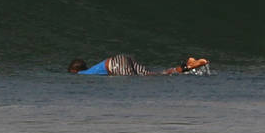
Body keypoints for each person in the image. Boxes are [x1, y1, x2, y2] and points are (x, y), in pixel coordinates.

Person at [68, 54, 208, 76]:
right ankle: (187, 65)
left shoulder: (82, 75)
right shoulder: (91, 69)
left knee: (151, 77)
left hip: (115, 65)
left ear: (75, 70)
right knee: (153, 74)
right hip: (121, 59)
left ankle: (188, 67)